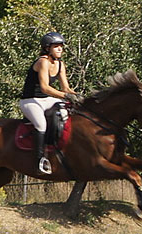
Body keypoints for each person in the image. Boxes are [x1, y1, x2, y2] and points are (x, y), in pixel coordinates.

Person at [19, 32, 82, 175]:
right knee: (41, 124)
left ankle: (61, 149)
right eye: (56, 46)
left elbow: (65, 88)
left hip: (47, 100)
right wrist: (65, 96)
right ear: (47, 48)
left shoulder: (60, 65)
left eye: (61, 46)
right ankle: (39, 160)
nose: (60, 49)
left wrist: (77, 97)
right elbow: (45, 88)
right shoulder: (42, 62)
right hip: (31, 101)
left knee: (67, 113)